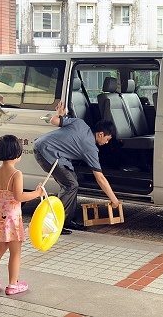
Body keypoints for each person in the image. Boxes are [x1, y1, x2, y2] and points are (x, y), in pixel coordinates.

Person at [33, 100, 119, 235]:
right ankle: (55, 223)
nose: (106, 143)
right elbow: (100, 178)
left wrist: (60, 114)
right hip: (46, 153)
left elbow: (54, 121)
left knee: (72, 182)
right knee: (70, 185)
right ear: (100, 134)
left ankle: (68, 221)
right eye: (107, 139)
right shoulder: (90, 148)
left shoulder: (80, 123)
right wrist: (114, 199)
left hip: (43, 146)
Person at [0, 135, 43, 296]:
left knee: (0, 248)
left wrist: (1, 199)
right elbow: (19, 197)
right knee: (15, 251)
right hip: (12, 218)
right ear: (17, 153)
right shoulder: (16, 174)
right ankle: (13, 284)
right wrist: (37, 193)